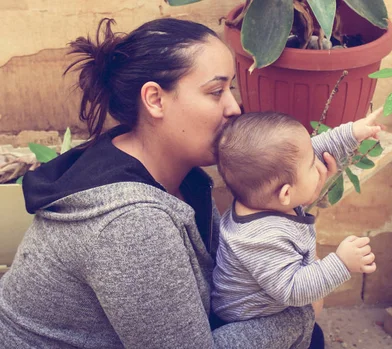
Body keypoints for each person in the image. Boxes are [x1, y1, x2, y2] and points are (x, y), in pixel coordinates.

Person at [0, 17, 326, 349]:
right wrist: (298, 315)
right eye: (216, 91)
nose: (233, 108)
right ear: (155, 100)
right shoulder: (132, 225)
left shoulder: (171, 170)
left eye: (231, 89)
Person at [211, 111, 381, 323]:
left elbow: (309, 152)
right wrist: (341, 263)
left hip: (270, 304)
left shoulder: (258, 197)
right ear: (286, 194)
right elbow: (294, 289)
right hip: (249, 323)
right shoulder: (261, 239)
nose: (318, 164)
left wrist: (352, 133)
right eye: (312, 166)